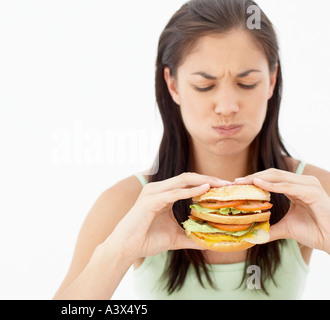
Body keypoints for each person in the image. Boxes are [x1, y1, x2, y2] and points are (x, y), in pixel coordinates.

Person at [53, 0, 330, 300]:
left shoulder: (313, 195)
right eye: (204, 85)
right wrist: (120, 251)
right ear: (172, 85)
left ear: (272, 79)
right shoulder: (128, 204)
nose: (227, 107)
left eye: (247, 83)